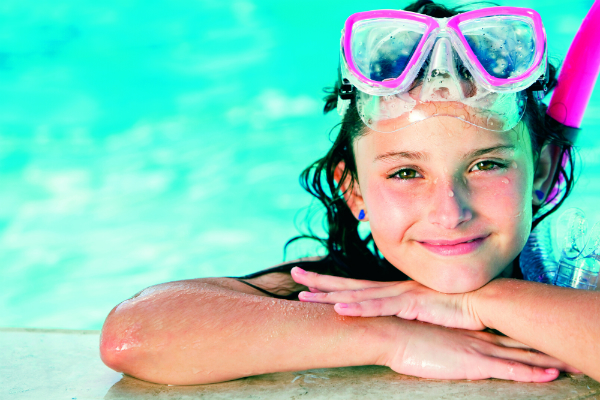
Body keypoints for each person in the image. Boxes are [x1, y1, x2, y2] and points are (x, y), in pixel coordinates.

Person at [99, 0, 600, 385]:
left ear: (542, 171)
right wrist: (389, 337)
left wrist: (479, 305)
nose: (449, 212)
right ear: (353, 189)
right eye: (405, 173)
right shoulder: (347, 295)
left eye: (486, 164)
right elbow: (136, 334)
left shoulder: (574, 274)